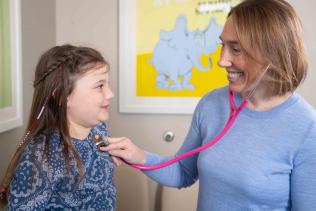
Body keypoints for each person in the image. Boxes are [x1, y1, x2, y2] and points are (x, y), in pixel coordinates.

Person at [102, 0, 316, 210]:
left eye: (236, 49)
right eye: (223, 45)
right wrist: (137, 154)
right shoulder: (212, 103)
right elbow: (182, 172)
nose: (222, 61)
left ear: (273, 53)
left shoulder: (307, 128)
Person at [0, 44, 116, 210]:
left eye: (107, 84)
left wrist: (111, 154)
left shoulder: (98, 128)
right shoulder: (39, 158)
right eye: (100, 86)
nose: (110, 93)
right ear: (63, 96)